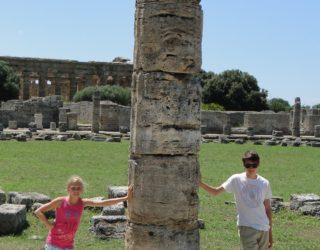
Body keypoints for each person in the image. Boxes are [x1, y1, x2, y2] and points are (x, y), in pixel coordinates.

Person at [35, 175, 133, 250]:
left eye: (78, 188)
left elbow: (103, 203)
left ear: (81, 189)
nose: (76, 191)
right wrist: (49, 225)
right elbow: (38, 211)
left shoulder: (82, 203)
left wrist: (125, 198)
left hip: (68, 246)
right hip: (53, 245)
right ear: (68, 189)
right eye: (73, 188)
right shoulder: (60, 202)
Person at [199, 150, 272, 250]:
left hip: (264, 228)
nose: (251, 168)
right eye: (248, 165)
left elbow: (267, 209)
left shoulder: (264, 183)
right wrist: (199, 183)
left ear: (258, 164)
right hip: (247, 227)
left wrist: (270, 233)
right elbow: (215, 192)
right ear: (244, 164)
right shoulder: (236, 179)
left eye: (254, 165)